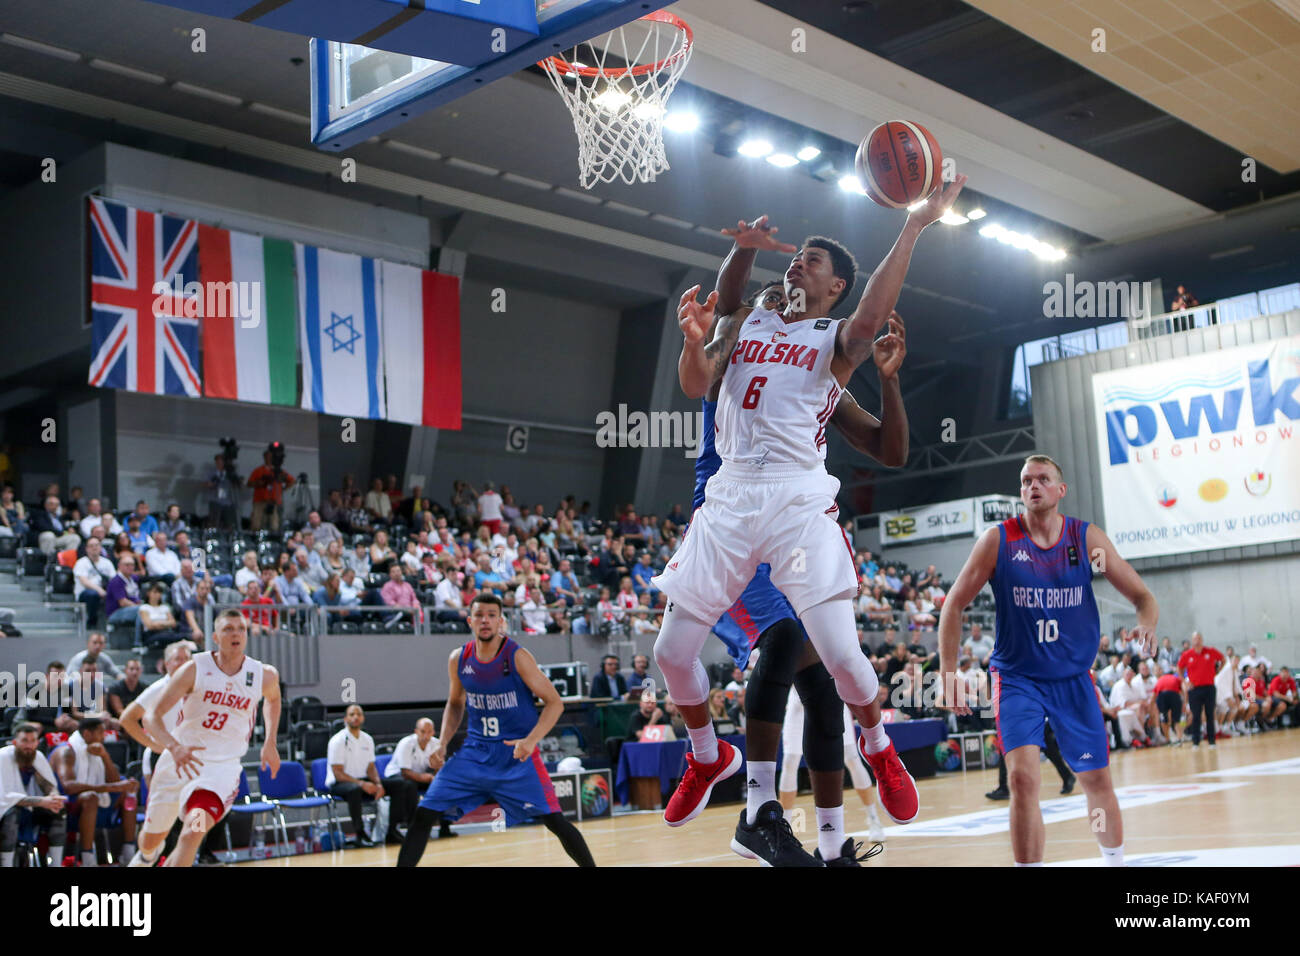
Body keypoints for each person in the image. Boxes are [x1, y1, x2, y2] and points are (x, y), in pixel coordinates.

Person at [649, 186, 964, 853]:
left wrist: (913, 226)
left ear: (836, 285)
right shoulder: (747, 325)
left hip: (797, 502)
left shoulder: (835, 342)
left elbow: (874, 312)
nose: (796, 268)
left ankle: (876, 745)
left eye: (811, 262)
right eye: (795, 262)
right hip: (731, 497)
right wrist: (727, 275)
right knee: (670, 654)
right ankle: (708, 757)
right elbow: (698, 380)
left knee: (843, 661)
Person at [938, 453, 1159, 867]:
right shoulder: (999, 540)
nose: (1032, 487)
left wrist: (1146, 623)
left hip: (1073, 678)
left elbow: (1143, 597)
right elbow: (953, 605)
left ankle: (1114, 860)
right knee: (1022, 779)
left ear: (1061, 490)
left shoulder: (1085, 539)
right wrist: (948, 672)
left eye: (1042, 479)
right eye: (1025, 481)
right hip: (1018, 677)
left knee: (1096, 778)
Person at [396, 594, 596, 867]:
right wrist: (442, 743)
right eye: (479, 615)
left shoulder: (517, 657)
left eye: (492, 615)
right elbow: (455, 703)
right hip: (474, 755)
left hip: (516, 756)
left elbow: (554, 703)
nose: (485, 620)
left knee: (554, 820)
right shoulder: (459, 658)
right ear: (470, 620)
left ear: (501, 621)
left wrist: (531, 740)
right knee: (424, 813)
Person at [129, 609, 280, 867]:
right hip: (178, 763)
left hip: (219, 771)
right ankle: (147, 857)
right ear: (215, 637)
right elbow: (151, 717)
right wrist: (174, 747)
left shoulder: (263, 674)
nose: (236, 634)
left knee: (193, 831)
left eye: (241, 629)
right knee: (151, 840)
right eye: (228, 629)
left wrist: (270, 741)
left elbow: (274, 699)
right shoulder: (194, 669)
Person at [776, 683, 885, 843]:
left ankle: (874, 819)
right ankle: (784, 828)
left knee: (852, 759)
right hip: (799, 703)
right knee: (790, 762)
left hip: (833, 699)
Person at [52, 717, 139, 866]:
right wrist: (107, 788)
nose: (104, 736)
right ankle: (88, 859)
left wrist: (105, 756)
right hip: (65, 805)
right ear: (87, 734)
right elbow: (68, 786)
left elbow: (115, 781)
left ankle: (128, 855)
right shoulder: (66, 751)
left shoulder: (97, 750)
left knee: (128, 793)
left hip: (92, 801)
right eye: (100, 732)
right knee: (91, 797)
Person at [0, 722, 68, 867]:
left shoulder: (37, 757)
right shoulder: (3, 757)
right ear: (14, 742)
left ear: (37, 742)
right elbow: (4, 798)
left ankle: (56, 864)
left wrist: (54, 798)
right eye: (24, 740)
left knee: (59, 812)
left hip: (30, 808)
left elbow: (47, 784)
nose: (29, 745)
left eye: (32, 741)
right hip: (6, 811)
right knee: (11, 814)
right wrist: (41, 801)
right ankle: (6, 864)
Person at [384, 718, 455, 840]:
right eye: (423, 731)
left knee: (444, 786)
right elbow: (405, 772)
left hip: (421, 776)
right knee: (408, 786)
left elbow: (440, 769)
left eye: (429, 731)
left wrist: (437, 776)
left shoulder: (437, 744)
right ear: (416, 731)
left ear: (433, 732)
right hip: (398, 776)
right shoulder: (406, 743)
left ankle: (445, 826)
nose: (426, 735)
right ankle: (413, 827)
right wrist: (425, 778)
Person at [326, 705, 387, 846]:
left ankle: (392, 831)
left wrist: (378, 784)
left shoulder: (367, 739)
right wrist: (362, 784)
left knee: (398, 785)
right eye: (352, 714)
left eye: (358, 714)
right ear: (345, 718)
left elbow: (371, 768)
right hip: (339, 783)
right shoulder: (338, 740)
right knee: (354, 790)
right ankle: (360, 835)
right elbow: (338, 773)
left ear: (363, 718)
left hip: (361, 781)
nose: (355, 717)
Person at [1177, 631, 1225, 747]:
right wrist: (1185, 681)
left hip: (1209, 687)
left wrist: (1217, 671)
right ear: (1192, 641)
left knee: (1210, 714)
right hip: (1194, 689)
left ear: (1202, 640)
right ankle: (1196, 742)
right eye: (1195, 639)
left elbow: (1223, 659)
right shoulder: (1187, 655)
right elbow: (1180, 668)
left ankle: (1212, 741)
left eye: (1199, 638)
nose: (1197, 640)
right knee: (1196, 715)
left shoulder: (1210, 651)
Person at [247, 447, 294, 532]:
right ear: (264, 458)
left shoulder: (278, 471)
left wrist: (283, 488)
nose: (269, 459)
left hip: (273, 501)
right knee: (256, 523)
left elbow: (291, 480)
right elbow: (249, 483)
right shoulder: (258, 471)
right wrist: (259, 483)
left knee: (274, 524)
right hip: (260, 500)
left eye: (270, 457)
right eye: (267, 457)